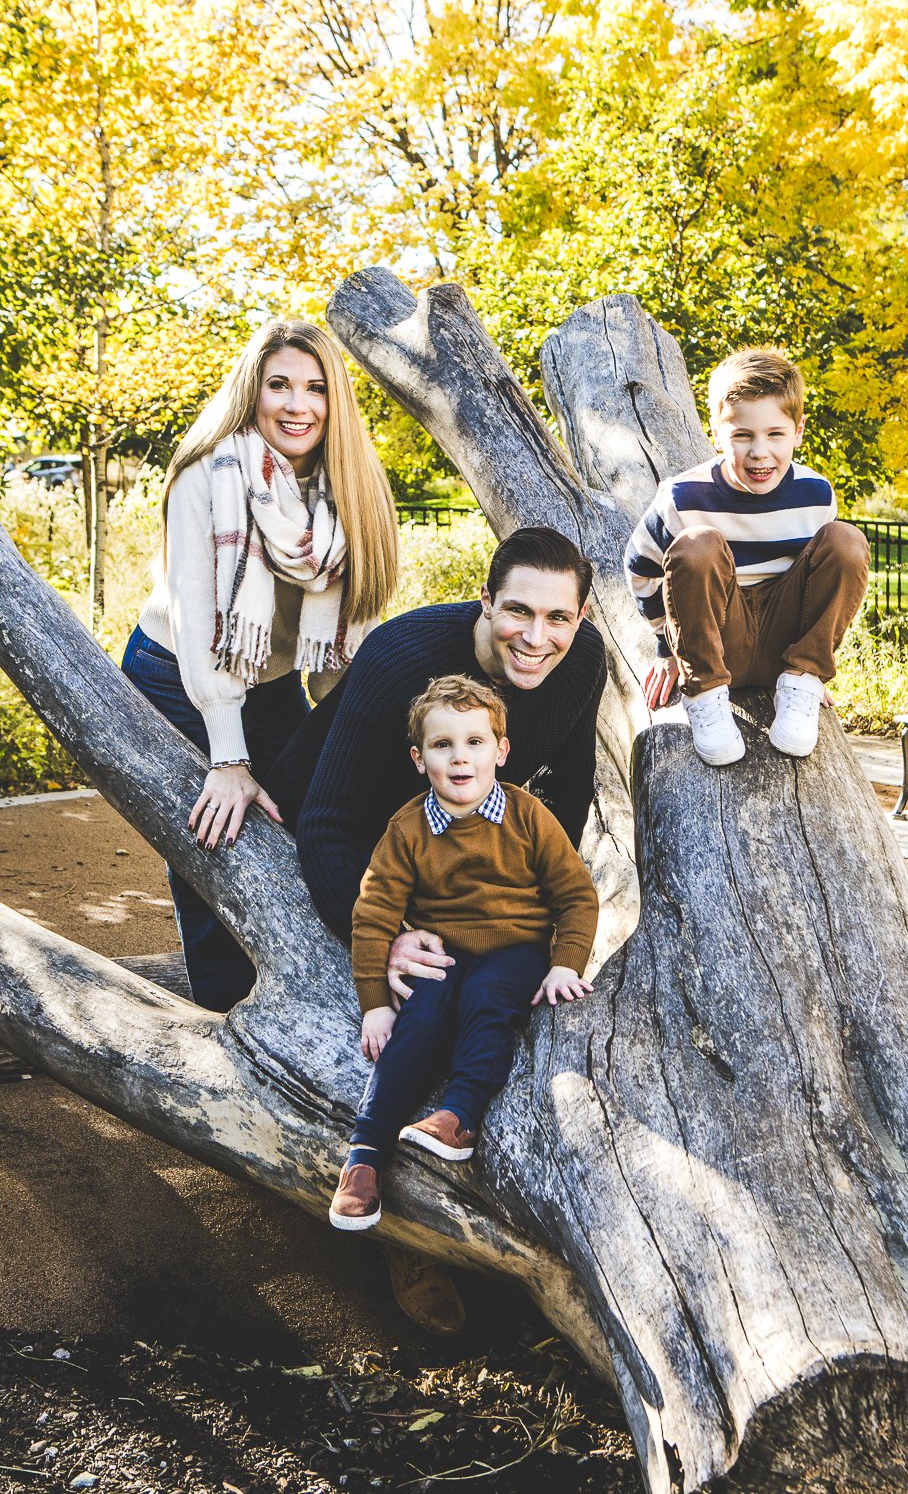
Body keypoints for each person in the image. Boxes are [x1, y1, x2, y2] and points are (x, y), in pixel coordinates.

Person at [269, 524, 607, 1331]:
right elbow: (326, 824)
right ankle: (404, 1232)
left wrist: (528, 918)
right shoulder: (401, 660)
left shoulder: (581, 659)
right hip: (354, 845)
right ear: (485, 603)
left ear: (583, 617)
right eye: (518, 611)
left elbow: (567, 794)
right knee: (412, 1018)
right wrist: (385, 937)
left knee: (496, 1008)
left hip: (473, 865)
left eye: (558, 618)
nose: (537, 637)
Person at [122, 319, 398, 1011]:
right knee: (219, 842)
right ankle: (227, 1015)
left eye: (315, 388)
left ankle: (333, 993)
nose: (297, 405)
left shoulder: (351, 487)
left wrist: (361, 735)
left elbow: (349, 642)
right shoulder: (207, 474)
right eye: (280, 385)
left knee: (318, 813)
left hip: (271, 682)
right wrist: (227, 758)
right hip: (181, 676)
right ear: (255, 392)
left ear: (335, 399)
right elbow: (198, 622)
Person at [329, 674, 599, 1231]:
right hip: (442, 952)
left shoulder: (528, 816)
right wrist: (374, 1003)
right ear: (418, 758)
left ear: (501, 750)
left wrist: (564, 964)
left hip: (515, 949)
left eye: (475, 742)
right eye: (442, 744)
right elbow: (373, 913)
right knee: (420, 1016)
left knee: (488, 999)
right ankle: (364, 1154)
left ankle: (459, 1116)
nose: (459, 757)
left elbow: (576, 895)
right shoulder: (407, 829)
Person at [624, 346, 870, 766]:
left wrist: (812, 666)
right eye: (742, 435)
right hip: (717, 642)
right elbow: (640, 569)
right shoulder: (683, 497)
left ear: (798, 432)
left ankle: (801, 682)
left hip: (783, 644)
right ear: (717, 433)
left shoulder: (815, 494)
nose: (760, 451)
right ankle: (705, 695)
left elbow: (824, 581)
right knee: (697, 545)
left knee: (846, 541)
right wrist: (668, 648)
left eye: (775, 434)